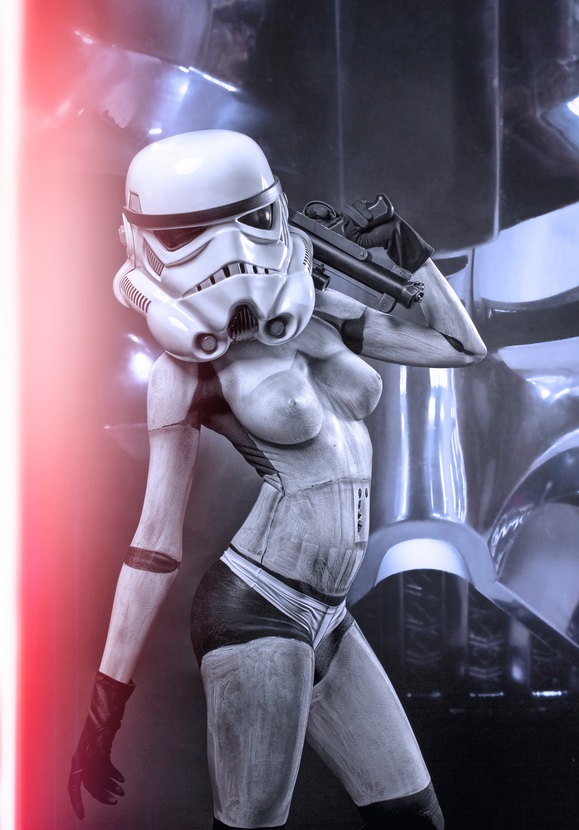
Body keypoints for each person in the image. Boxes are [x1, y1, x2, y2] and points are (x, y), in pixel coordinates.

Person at [68, 130, 486, 829]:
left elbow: (460, 348)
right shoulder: (185, 373)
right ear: (139, 242)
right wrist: (104, 709)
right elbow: (154, 546)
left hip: (328, 611)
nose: (228, 254)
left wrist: (412, 254)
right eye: (188, 235)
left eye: (249, 220)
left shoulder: (323, 316)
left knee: (413, 816)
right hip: (256, 608)